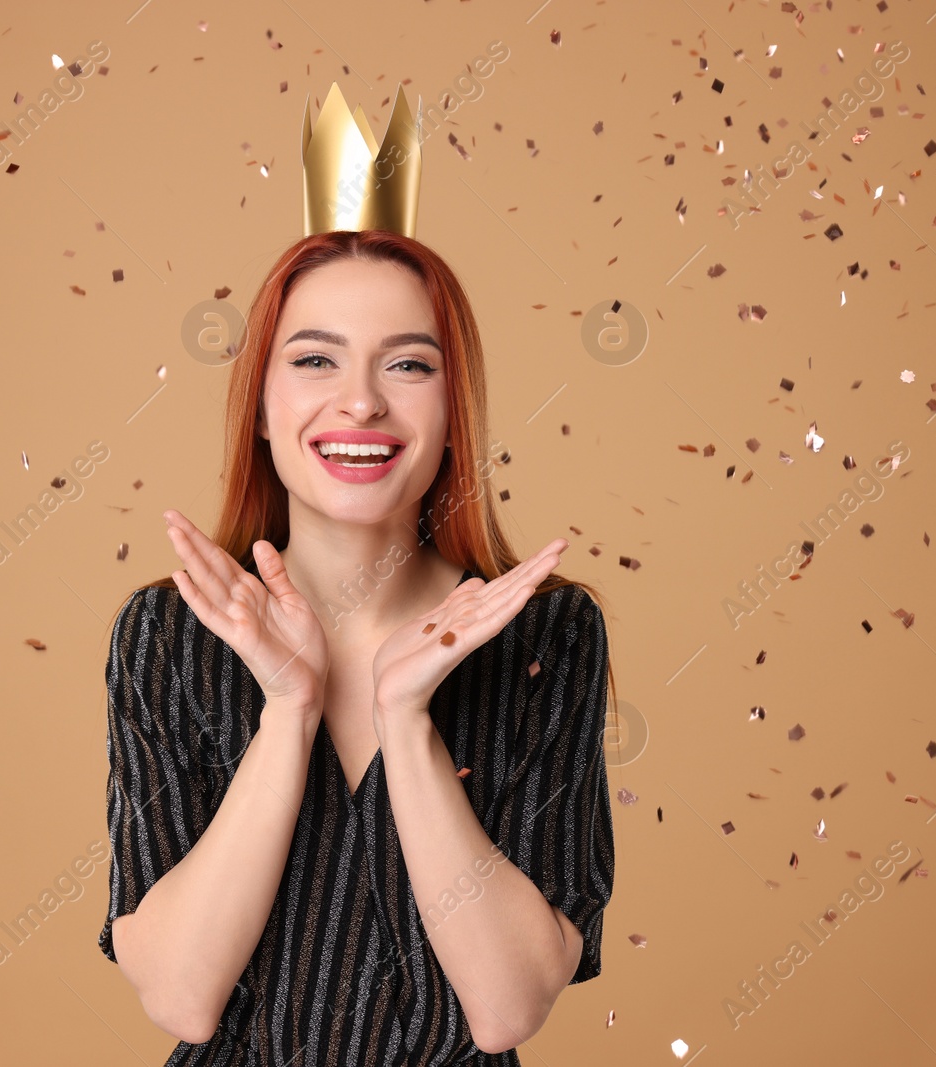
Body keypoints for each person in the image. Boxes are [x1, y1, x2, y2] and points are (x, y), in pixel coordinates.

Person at [98, 83, 616, 1066]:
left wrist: (405, 718)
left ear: (452, 407)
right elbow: (181, 994)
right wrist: (288, 710)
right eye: (315, 359)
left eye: (409, 366)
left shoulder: (545, 638)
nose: (361, 403)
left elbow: (505, 1007)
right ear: (259, 402)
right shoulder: (169, 636)